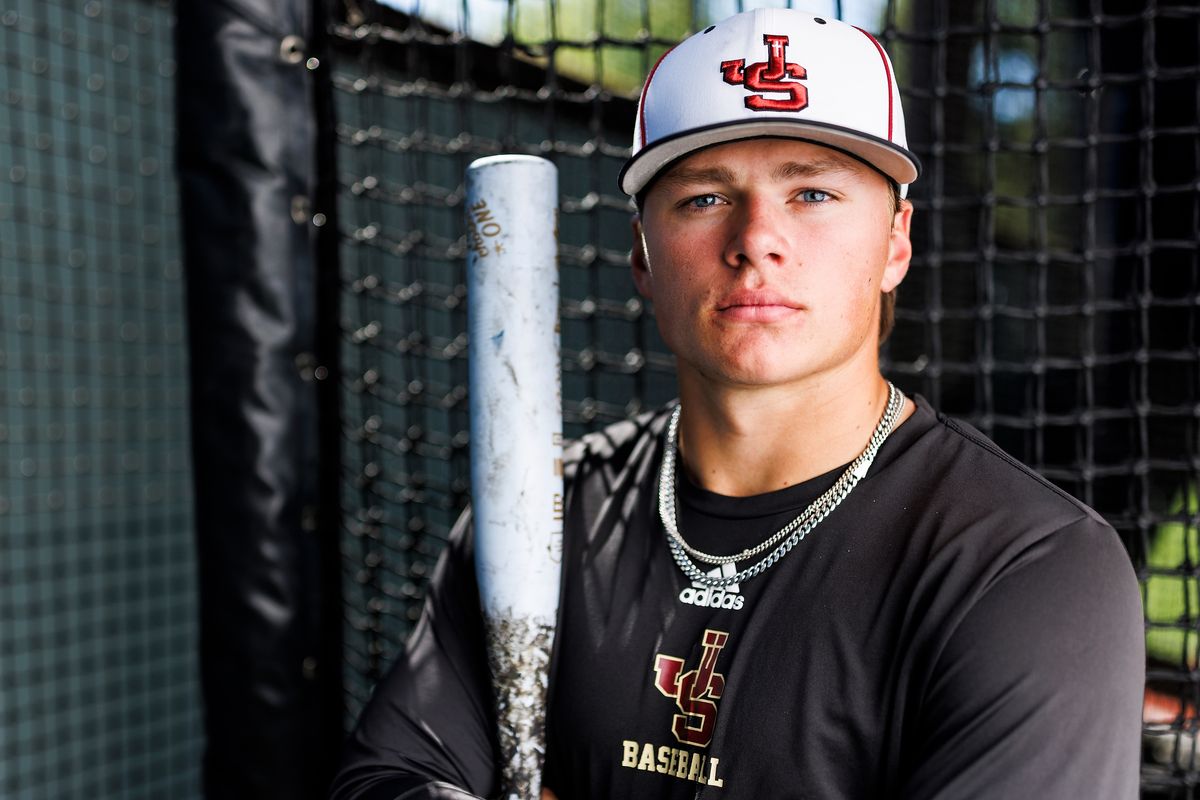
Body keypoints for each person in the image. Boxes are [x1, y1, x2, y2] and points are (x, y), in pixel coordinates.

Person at [331, 8, 1145, 799]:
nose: (756, 236)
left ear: (896, 241)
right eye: (704, 198)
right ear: (643, 258)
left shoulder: (1030, 567)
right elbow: (384, 781)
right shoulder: (545, 512)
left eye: (813, 194)